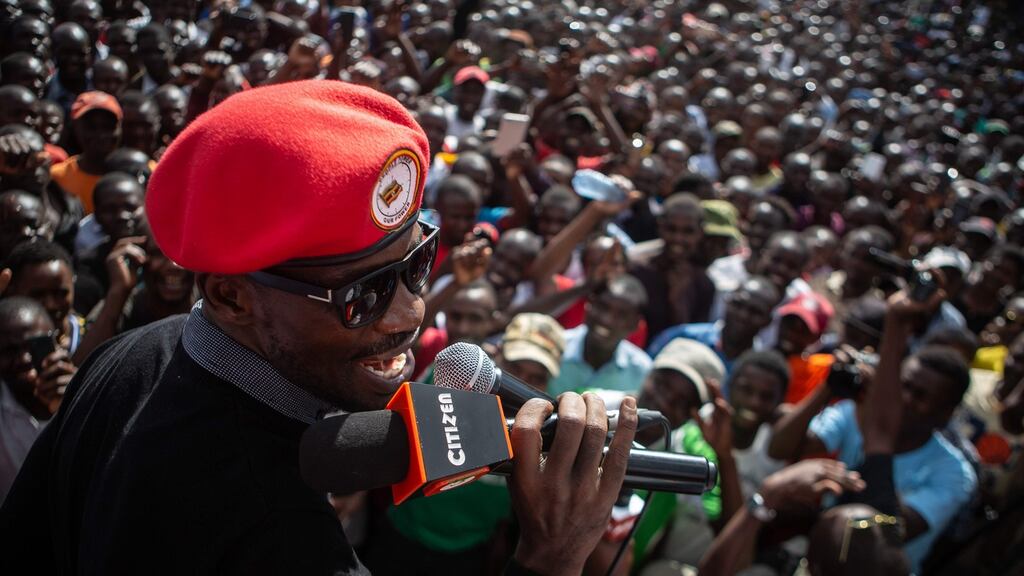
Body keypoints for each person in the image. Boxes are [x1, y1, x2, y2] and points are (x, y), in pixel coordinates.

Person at [0, 80, 639, 575]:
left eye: (417, 264)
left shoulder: (137, 353)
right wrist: (550, 559)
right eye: (361, 295)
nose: (409, 315)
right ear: (230, 296)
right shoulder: (282, 534)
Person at [770, 292, 977, 571]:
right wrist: (827, 389)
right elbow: (780, 448)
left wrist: (876, 426)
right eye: (903, 386)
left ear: (946, 413)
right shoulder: (853, 413)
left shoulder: (954, 473)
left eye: (921, 396)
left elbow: (887, 530)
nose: (905, 400)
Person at [0, 297, 76, 504]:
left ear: (57, 342)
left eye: (34, 346)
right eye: (10, 350)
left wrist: (70, 407)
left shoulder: (85, 395)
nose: (24, 360)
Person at [549, 274, 651, 395]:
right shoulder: (552, 348)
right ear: (589, 305)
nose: (606, 320)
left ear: (634, 325)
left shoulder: (642, 372)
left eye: (621, 315)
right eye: (602, 307)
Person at [49, 91, 123, 214]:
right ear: (75, 128)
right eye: (91, 127)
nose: (100, 135)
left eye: (108, 126)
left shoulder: (138, 173)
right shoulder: (57, 177)